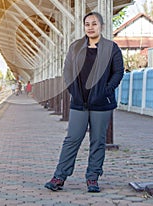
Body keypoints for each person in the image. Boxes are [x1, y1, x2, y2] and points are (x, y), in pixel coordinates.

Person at [44, 12, 124, 193]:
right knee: (72, 139)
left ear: (101, 26)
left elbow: (118, 72)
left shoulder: (111, 48)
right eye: (87, 24)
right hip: (80, 102)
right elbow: (68, 71)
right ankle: (59, 177)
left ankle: (93, 178)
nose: (90, 27)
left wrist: (106, 91)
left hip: (101, 103)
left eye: (94, 24)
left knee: (97, 141)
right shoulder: (76, 47)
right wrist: (74, 91)